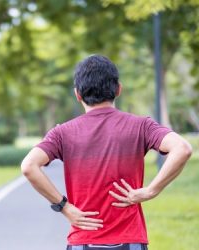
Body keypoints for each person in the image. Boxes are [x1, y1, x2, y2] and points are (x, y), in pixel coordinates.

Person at [21, 55, 192, 250]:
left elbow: (29, 166)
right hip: (131, 240)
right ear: (118, 89)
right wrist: (151, 190)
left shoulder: (63, 133)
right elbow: (182, 148)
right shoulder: (141, 126)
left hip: (83, 241)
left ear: (77, 94)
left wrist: (64, 207)